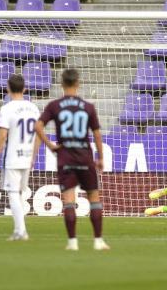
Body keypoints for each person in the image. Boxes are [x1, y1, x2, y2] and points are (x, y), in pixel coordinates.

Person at [35, 68, 110, 251]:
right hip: (85, 157)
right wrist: (100, 157)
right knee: (94, 197)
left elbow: (38, 125)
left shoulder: (54, 105)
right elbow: (97, 135)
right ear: (78, 84)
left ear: (61, 84)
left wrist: (50, 145)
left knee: (68, 200)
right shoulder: (88, 107)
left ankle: (72, 242)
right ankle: (98, 241)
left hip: (65, 157)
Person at [0, 74, 41, 241]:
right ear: (24, 89)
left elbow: (2, 136)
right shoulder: (33, 108)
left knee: (13, 193)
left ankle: (21, 231)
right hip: (28, 156)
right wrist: (34, 155)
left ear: (8, 89)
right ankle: (20, 229)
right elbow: (39, 133)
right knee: (18, 193)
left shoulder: (7, 108)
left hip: (12, 157)